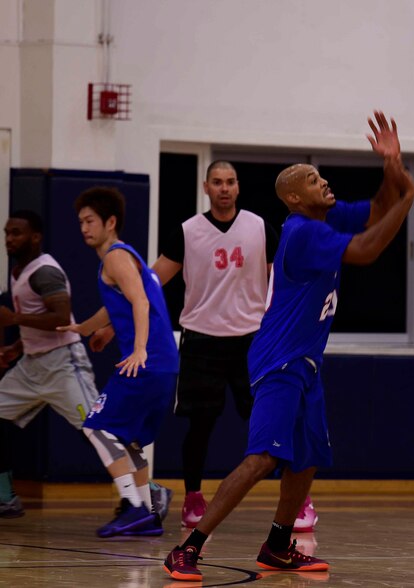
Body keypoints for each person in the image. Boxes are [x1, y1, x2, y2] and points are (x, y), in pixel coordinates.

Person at [162, 111, 414, 582]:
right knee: (263, 458)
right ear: (296, 198)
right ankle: (187, 548)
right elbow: (367, 249)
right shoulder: (302, 232)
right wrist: (409, 199)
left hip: (306, 362)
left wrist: (392, 166)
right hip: (279, 360)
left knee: (308, 456)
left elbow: (378, 207)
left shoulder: (326, 215)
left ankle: (278, 545)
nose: (325, 182)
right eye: (315, 179)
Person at [102, 161, 315, 532]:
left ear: (238, 187)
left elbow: (281, 281)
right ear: (206, 186)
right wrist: (108, 322)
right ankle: (194, 498)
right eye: (217, 182)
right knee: (199, 426)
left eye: (230, 182)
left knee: (274, 423)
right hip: (201, 339)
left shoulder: (260, 227)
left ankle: (299, 501)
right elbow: (148, 284)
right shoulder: (187, 231)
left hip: (253, 340)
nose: (224, 188)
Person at [0, 210, 172, 524]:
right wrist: (16, 346)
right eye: (7, 233)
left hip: (63, 366)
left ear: (36, 236)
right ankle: (5, 495)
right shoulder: (18, 271)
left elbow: (61, 318)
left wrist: (13, 320)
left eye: (17, 233)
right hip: (29, 368)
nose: (10, 239)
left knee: (100, 429)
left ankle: (145, 495)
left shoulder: (49, 271)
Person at [60, 188, 180, 537]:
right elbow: (120, 304)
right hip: (163, 365)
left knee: (95, 427)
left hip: (146, 362)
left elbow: (140, 302)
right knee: (128, 441)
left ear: (110, 222)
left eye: (90, 221)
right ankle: (147, 515)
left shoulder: (114, 256)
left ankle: (133, 506)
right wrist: (85, 327)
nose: (83, 227)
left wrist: (139, 349)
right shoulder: (127, 258)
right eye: (80, 221)